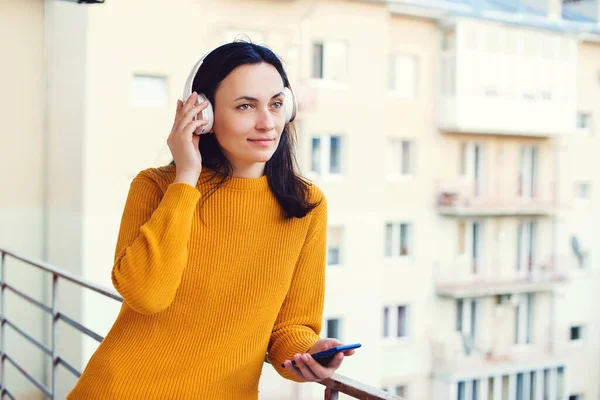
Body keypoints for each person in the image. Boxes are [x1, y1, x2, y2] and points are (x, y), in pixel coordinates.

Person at [67, 41, 355, 399]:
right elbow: (147, 295)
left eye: (277, 104)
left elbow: (291, 327)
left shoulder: (306, 204)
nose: (267, 122)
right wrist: (186, 175)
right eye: (245, 106)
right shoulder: (156, 186)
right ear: (203, 113)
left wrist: (309, 355)